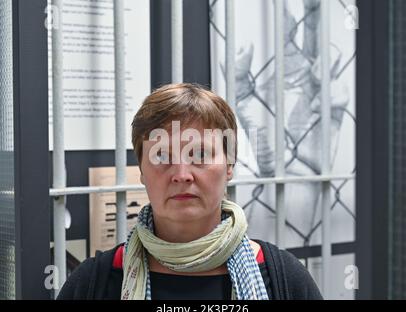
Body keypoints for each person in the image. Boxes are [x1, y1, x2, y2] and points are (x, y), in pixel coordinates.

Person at [57, 83, 323, 300]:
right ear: (141, 170)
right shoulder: (94, 283)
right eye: (162, 156)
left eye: (199, 154)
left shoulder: (285, 281)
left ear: (229, 166)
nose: (182, 174)